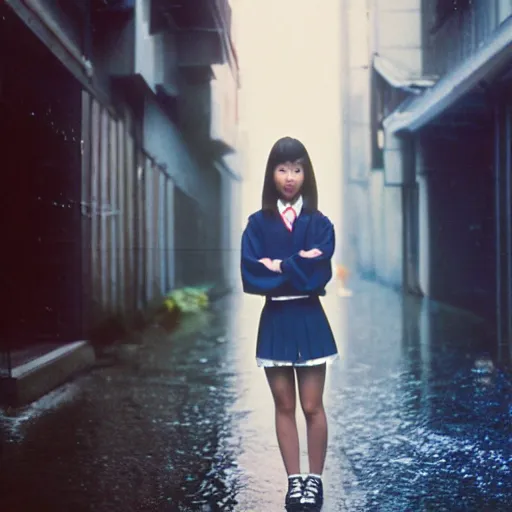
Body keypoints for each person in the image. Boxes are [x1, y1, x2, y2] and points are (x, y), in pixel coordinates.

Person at [240, 136, 338, 511]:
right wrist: (299, 260)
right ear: (272, 174)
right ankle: (294, 483)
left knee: (312, 406)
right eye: (282, 168)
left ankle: (315, 481)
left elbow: (319, 276)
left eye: (297, 168)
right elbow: (251, 274)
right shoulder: (257, 223)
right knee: (284, 404)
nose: (290, 176)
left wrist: (279, 264)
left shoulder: (320, 222)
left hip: (310, 316)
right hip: (276, 318)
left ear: (306, 174)